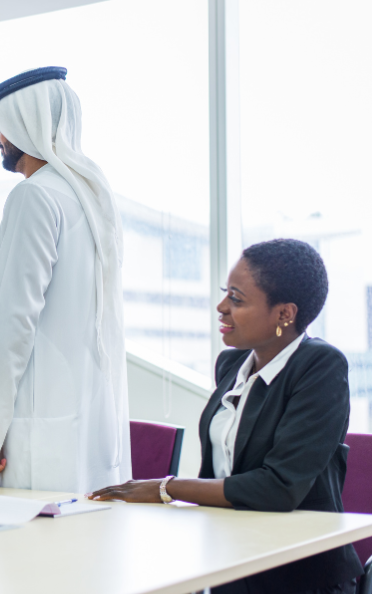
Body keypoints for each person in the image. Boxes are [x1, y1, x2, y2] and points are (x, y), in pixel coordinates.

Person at [89, 239, 362, 594]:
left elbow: (279, 488)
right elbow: (224, 469)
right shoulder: (232, 364)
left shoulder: (320, 367)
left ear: (284, 314)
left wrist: (165, 488)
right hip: (228, 558)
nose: (221, 308)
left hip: (295, 572)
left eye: (236, 299)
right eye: (225, 294)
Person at [0, 67, 131, 493]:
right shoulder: (88, 195)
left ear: (25, 124)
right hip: (84, 421)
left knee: (26, 553)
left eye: (0, 127)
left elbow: (18, 319)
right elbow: (61, 314)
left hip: (41, 425)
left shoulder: (33, 195)